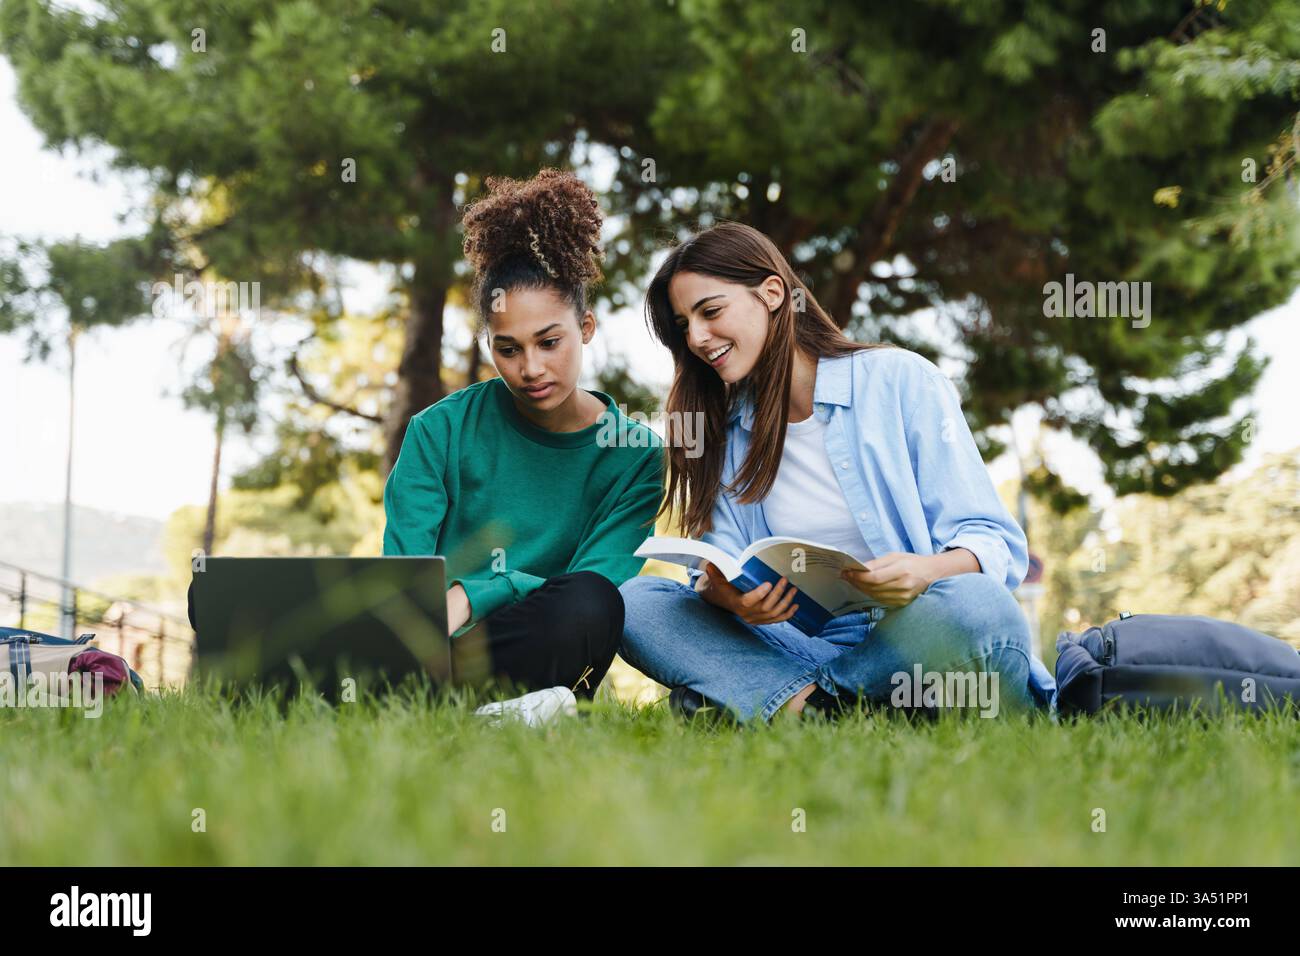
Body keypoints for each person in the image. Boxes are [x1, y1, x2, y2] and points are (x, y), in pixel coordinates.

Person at [619, 221, 1056, 722]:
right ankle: (849, 710)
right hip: (803, 643)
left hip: (917, 633)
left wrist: (925, 571)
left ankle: (796, 705)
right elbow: (714, 566)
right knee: (638, 602)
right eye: (683, 325)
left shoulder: (900, 381)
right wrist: (729, 599)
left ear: (773, 293)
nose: (697, 337)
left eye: (710, 311)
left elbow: (995, 542)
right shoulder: (722, 433)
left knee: (982, 608)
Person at [383, 168, 663, 711]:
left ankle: (456, 704)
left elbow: (595, 583)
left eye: (549, 342)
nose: (531, 368)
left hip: (536, 644)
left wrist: (479, 591)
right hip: (430, 649)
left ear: (586, 327)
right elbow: (404, 583)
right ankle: (455, 705)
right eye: (507, 348)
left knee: (591, 603)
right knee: (218, 597)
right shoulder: (438, 432)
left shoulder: (636, 456)